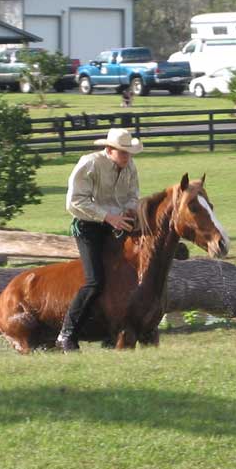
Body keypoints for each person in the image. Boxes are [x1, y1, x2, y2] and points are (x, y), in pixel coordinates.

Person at [58, 127, 144, 351]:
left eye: (128, 153)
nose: (127, 157)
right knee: (95, 281)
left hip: (116, 225)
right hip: (88, 228)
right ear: (109, 150)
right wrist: (108, 217)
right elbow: (74, 202)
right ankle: (67, 333)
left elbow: (133, 195)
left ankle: (112, 333)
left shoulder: (129, 166)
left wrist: (128, 211)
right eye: (123, 153)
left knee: (124, 278)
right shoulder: (90, 163)